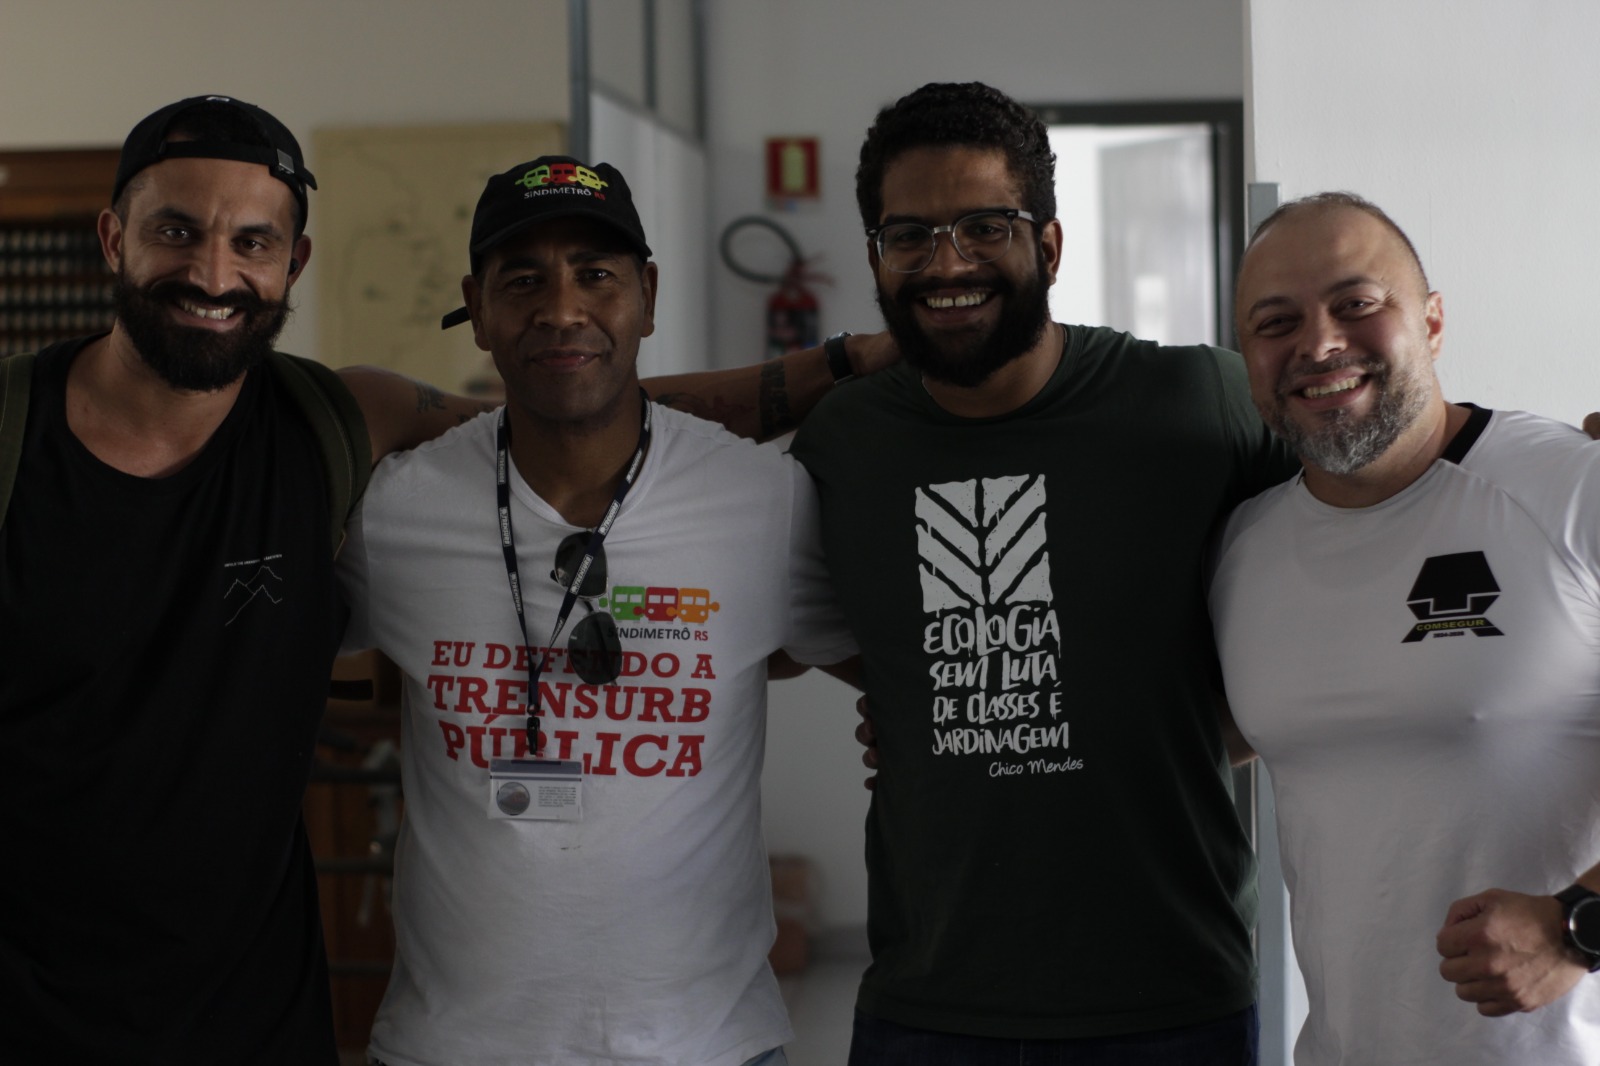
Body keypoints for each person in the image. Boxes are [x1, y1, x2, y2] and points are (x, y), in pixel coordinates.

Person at [0, 94, 868, 1065]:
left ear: (294, 261)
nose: (213, 271)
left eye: (251, 240)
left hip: (294, 1025)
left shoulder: (334, 430)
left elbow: (578, 397)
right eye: (176, 231)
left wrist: (842, 367)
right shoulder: (385, 499)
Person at [791, 81, 1297, 1063]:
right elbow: (824, 628)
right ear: (875, 256)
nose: (947, 263)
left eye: (986, 226)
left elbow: (1372, 519)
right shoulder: (843, 444)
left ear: (1050, 246)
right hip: (927, 1004)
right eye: (909, 235)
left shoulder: (1196, 402)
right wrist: (914, 706)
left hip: (1170, 997)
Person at [335, 155, 858, 1066]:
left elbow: (891, 676)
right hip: (450, 1050)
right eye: (523, 280)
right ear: (477, 308)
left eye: (596, 275)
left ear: (647, 296)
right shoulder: (396, 513)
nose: (562, 309)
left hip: (707, 1048)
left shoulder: (764, 503)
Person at [1208, 191, 1600, 1064]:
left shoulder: (1572, 493)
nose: (1319, 344)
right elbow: (1190, 745)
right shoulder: (1244, 550)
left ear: (1432, 321)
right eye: (1276, 322)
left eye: (1356, 304)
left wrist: (1578, 927)